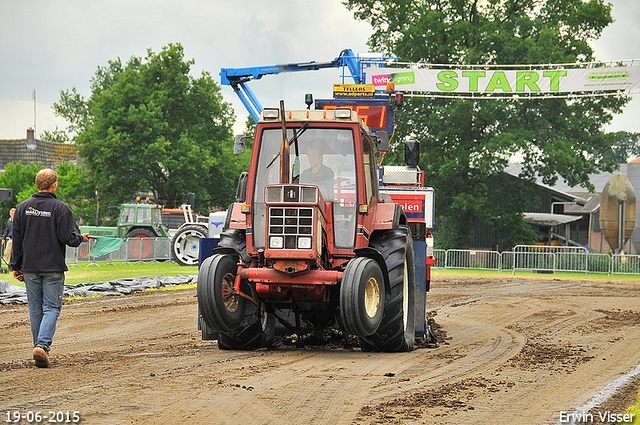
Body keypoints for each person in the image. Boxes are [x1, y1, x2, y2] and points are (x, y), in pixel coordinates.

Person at [10, 169, 89, 368]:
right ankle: (42, 346)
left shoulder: (23, 208)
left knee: (35, 310)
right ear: (54, 185)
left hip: (30, 268)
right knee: (52, 308)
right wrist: (82, 238)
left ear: (38, 184)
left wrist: (16, 266)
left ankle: (39, 348)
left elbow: (17, 240)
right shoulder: (61, 208)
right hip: (52, 267)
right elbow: (67, 238)